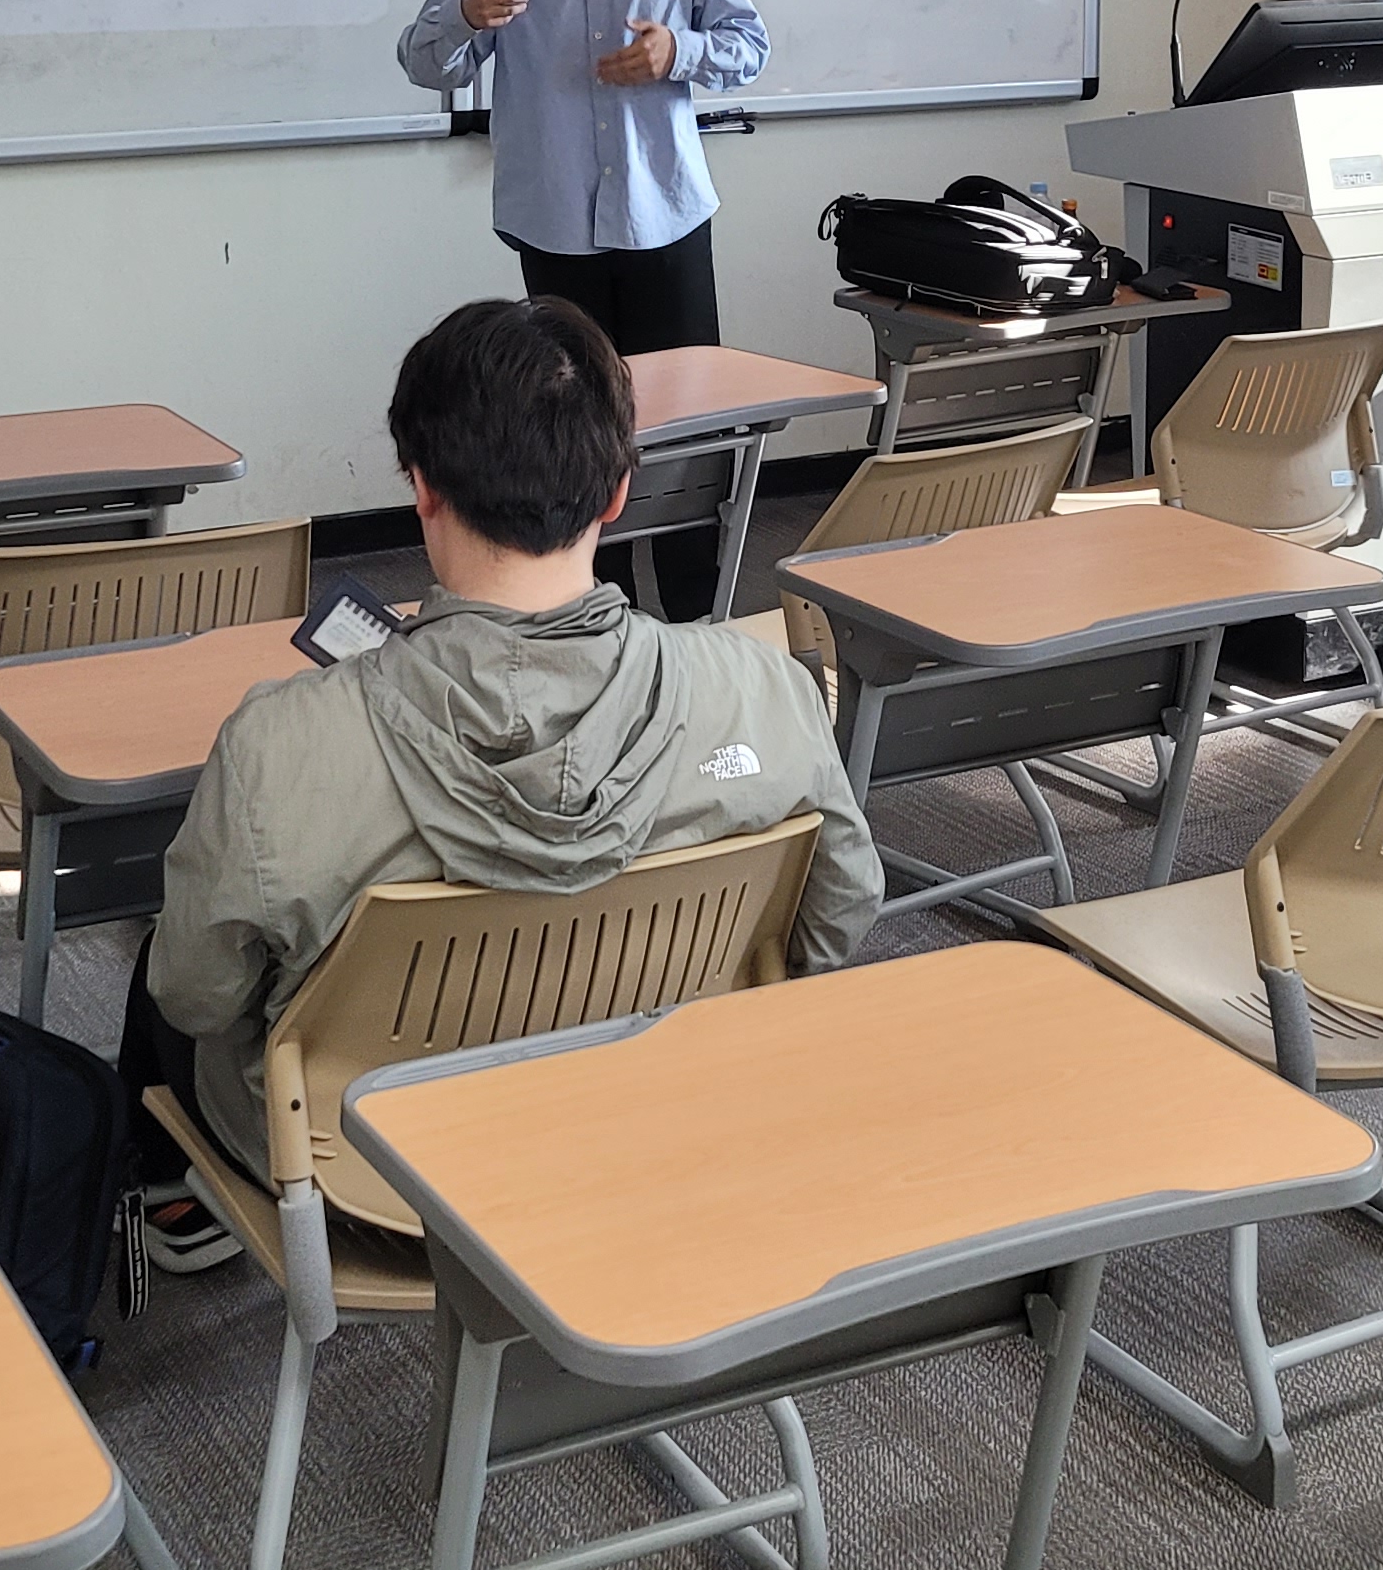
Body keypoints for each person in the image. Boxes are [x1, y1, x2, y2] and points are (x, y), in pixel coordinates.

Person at [120, 295, 879, 1270]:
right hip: (657, 1127)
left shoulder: (276, 747)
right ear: (618, 490)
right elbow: (839, 915)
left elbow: (195, 998)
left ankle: (168, 1204)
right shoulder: (765, 692)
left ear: (422, 487)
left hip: (365, 1178)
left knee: (180, 942)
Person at [397, 0, 768, 613]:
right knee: (575, 430)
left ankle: (695, 615)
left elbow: (750, 45)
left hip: (667, 221)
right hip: (558, 228)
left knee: (687, 424)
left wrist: (680, 51)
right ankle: (594, 615)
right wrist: (466, 14)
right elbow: (422, 62)